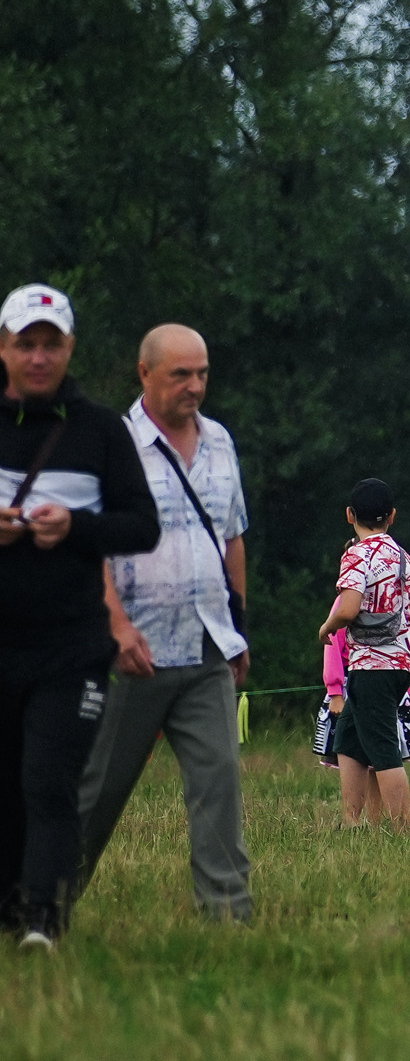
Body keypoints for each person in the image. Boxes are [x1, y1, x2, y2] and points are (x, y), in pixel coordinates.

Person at [76, 324, 255, 922]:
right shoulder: (111, 446)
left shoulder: (221, 443)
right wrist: (116, 627)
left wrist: (238, 626)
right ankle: (40, 903)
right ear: (145, 373)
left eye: (202, 373)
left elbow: (232, 538)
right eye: (181, 374)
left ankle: (228, 911)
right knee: (94, 794)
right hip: (134, 655)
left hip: (207, 647)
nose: (195, 386)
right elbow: (91, 550)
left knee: (219, 782)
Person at [0, 284, 159, 948]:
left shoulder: (99, 429)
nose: (39, 358)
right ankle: (9, 907)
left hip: (71, 644)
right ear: (4, 349)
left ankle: (46, 917)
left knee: (48, 779)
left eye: (51, 345)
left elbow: (142, 527)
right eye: (25, 344)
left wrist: (77, 525)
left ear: (69, 349)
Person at [317, 479, 410, 830]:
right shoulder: (404, 557)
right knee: (348, 740)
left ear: (349, 515)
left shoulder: (356, 555)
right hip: (402, 663)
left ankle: (402, 828)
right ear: (392, 516)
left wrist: (327, 626)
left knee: (384, 748)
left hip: (372, 666)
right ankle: (351, 822)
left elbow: (349, 608)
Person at [318, 597, 410, 794]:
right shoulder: (347, 600)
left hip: (392, 677)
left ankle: (377, 822)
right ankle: (354, 820)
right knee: (352, 754)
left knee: (382, 757)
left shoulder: (398, 595)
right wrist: (335, 692)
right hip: (353, 679)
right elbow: (333, 642)